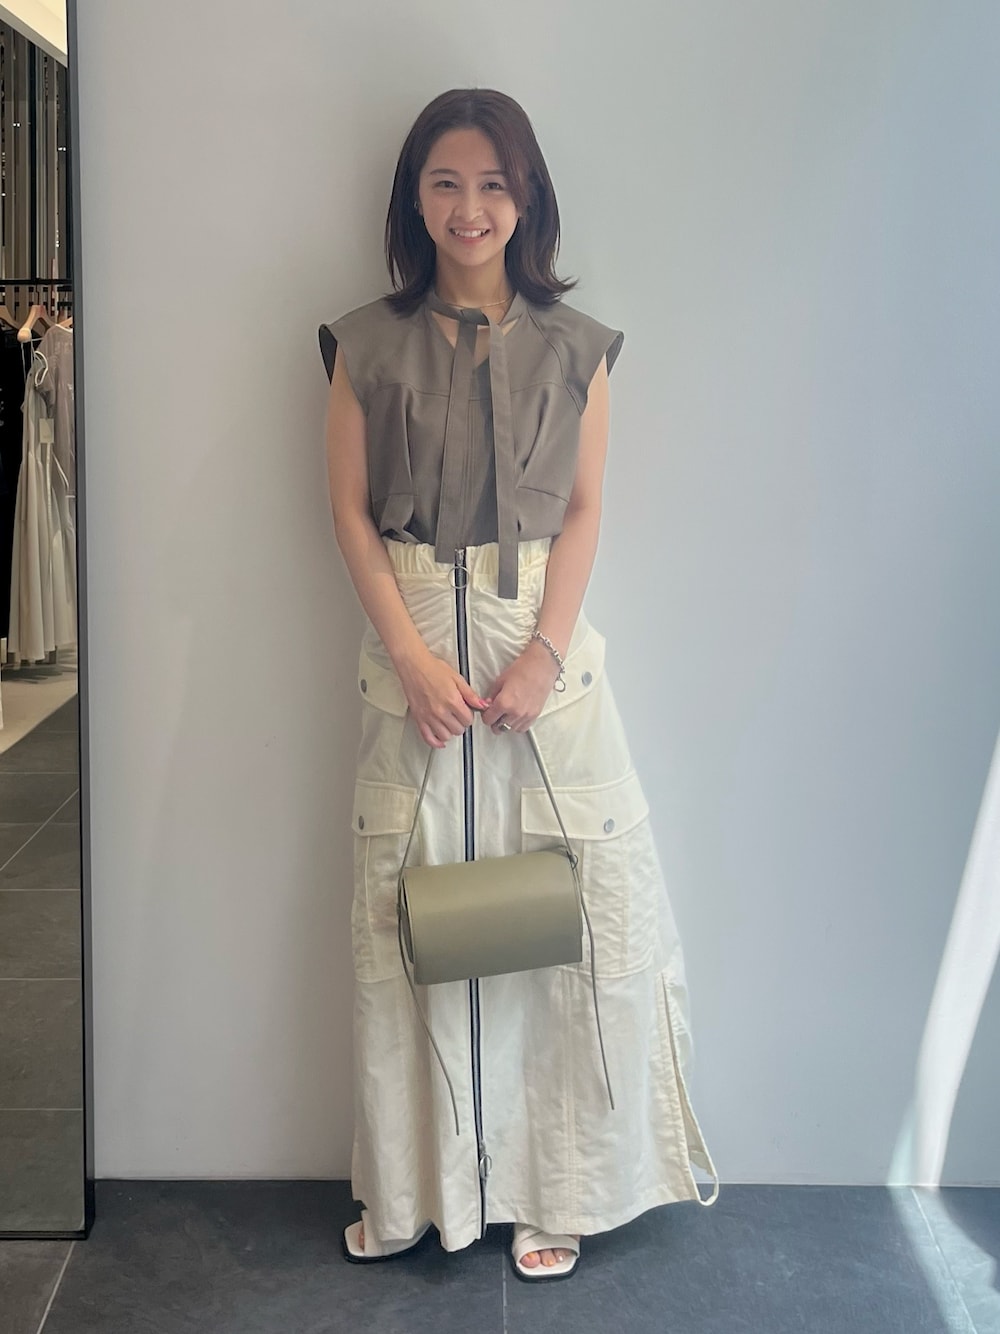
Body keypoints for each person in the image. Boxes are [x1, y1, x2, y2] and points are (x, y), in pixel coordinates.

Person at [321, 87, 719, 1283]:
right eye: (445, 181)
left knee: (571, 918)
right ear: (413, 197)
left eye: (493, 183)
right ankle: (417, 1191)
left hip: (542, 656)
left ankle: (563, 1186)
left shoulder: (579, 346)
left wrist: (542, 652)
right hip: (414, 660)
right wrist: (410, 656)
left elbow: (585, 509)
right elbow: (349, 514)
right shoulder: (360, 343)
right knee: (412, 918)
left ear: (526, 197)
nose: (470, 207)